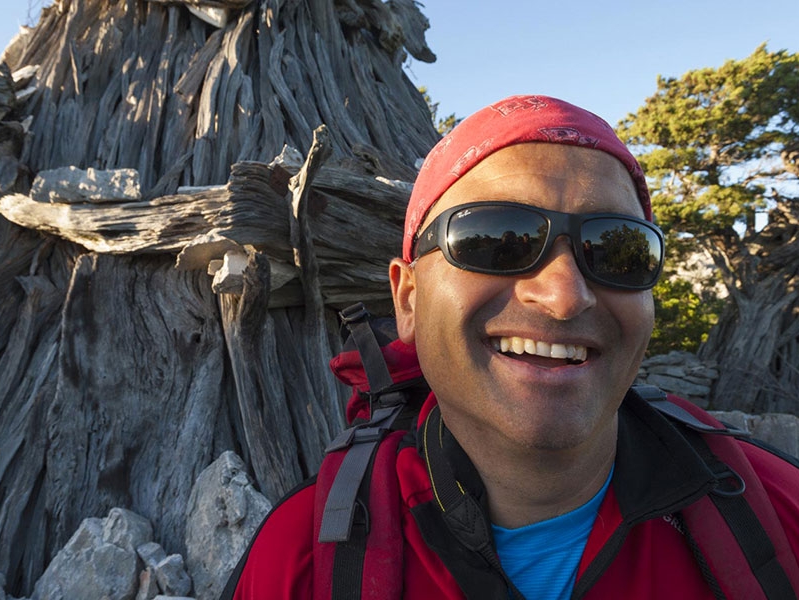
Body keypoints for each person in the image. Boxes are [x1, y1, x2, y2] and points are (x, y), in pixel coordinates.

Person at [221, 95, 799, 599]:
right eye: (493, 239)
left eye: (618, 249)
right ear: (408, 299)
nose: (565, 296)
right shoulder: (299, 561)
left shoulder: (779, 514)